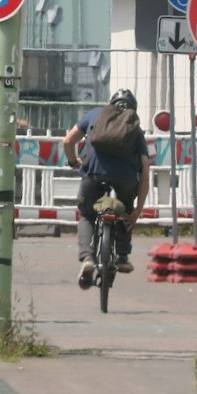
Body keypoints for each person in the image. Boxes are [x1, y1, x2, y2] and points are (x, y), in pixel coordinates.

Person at [64, 88, 146, 286]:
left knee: (86, 214)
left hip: (93, 173)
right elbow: (145, 167)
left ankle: (87, 258)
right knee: (125, 209)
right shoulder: (135, 126)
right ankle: (123, 256)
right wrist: (136, 212)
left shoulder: (95, 114)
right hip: (125, 178)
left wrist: (74, 161)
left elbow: (68, 141)